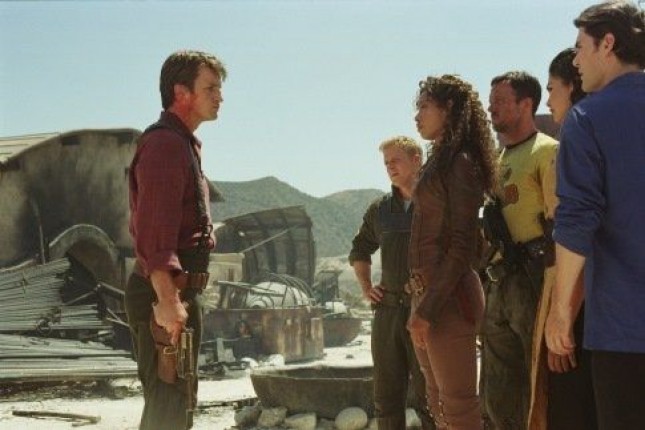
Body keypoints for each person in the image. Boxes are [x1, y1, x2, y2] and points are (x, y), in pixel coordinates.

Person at [545, 2, 645, 429]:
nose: (575, 60)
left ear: (608, 44)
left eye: (579, 47)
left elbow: (576, 222)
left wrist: (561, 312)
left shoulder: (586, 118)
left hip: (624, 332)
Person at [125, 50, 226, 430]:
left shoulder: (183, 143)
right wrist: (168, 300)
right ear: (182, 92)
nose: (219, 96)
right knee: (167, 410)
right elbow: (154, 230)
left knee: (177, 406)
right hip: (165, 295)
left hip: (178, 293)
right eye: (211, 88)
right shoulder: (165, 145)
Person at [406, 74, 496, 429]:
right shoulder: (440, 161)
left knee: (458, 407)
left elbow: (462, 247)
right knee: (437, 402)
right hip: (427, 295)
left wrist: (427, 310)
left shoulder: (460, 162)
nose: (417, 116)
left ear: (449, 109)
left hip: (448, 300)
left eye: (424, 107)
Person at [481, 71, 558, 429]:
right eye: (490, 101)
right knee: (497, 391)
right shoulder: (497, 161)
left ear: (526, 104)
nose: (491, 108)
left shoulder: (547, 151)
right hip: (499, 282)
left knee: (538, 384)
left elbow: (559, 225)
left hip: (533, 278)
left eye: (500, 101)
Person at [527, 48, 597, 430]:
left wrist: (563, 318)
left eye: (552, 88)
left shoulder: (577, 137)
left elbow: (580, 238)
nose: (549, 99)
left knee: (571, 409)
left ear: (572, 87)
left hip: (582, 307)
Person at [349, 136, 434, 430]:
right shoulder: (381, 209)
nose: (389, 167)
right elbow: (360, 249)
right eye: (386, 163)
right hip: (387, 313)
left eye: (395, 160)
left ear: (416, 160)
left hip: (425, 309)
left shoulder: (435, 202)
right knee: (386, 397)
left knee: (430, 395)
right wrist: (366, 287)